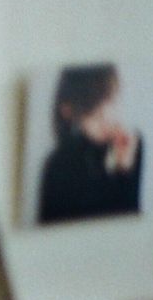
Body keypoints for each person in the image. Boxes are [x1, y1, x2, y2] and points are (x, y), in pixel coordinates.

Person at [39, 64, 143, 224]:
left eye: (111, 101)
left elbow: (132, 226)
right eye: (93, 111)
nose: (107, 117)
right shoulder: (58, 164)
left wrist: (125, 172)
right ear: (69, 111)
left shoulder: (132, 143)